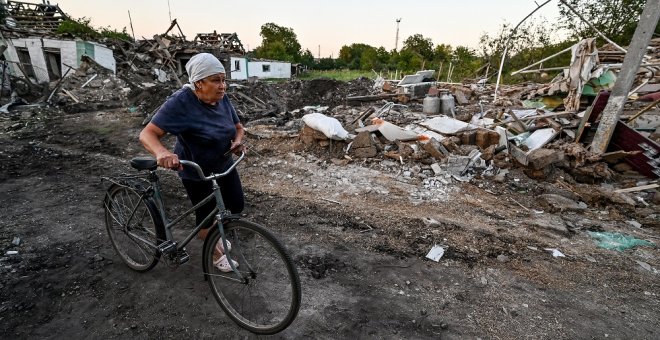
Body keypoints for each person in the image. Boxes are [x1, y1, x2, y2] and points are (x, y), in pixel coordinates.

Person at [139, 53, 245, 272]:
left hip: (223, 164)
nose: (222, 86)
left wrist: (237, 142)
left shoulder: (221, 97)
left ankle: (217, 233)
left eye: (224, 80)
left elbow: (238, 127)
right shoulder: (181, 102)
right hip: (196, 170)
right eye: (216, 80)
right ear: (198, 83)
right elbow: (147, 134)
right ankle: (214, 252)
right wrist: (162, 153)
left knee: (235, 205)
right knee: (206, 219)